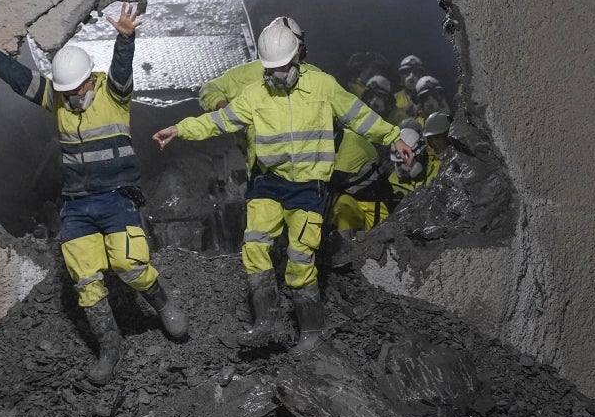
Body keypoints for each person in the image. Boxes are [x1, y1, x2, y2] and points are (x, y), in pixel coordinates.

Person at [0, 5, 186, 386]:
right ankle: (110, 348)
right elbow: (23, 81)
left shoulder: (113, 95)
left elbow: (122, 72)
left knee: (129, 265)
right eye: (66, 92)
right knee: (85, 279)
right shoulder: (59, 99)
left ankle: (163, 303)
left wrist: (126, 39)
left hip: (117, 197)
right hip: (78, 204)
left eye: (76, 90)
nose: (72, 98)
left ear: (89, 81)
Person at [154, 21, 413, 347]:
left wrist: (392, 136)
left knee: (300, 258)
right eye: (271, 69)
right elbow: (220, 121)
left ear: (297, 57)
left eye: (283, 67)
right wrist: (180, 129)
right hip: (268, 181)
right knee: (254, 246)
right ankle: (266, 322)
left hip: (308, 185)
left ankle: (311, 334)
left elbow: (357, 115)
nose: (277, 75)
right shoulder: (255, 94)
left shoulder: (322, 86)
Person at [198, 14, 307, 173]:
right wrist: (226, 110)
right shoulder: (246, 76)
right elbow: (209, 89)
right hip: (265, 167)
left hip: (299, 169)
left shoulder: (316, 79)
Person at [389, 127, 439, 197]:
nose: (404, 167)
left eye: (406, 161)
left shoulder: (439, 170)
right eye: (399, 163)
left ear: (421, 156)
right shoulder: (390, 184)